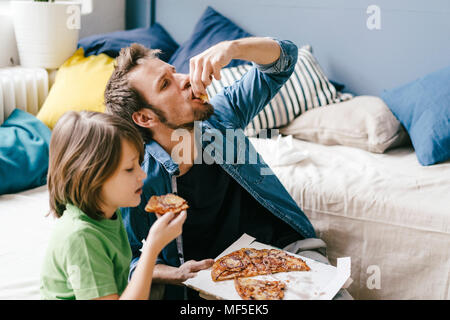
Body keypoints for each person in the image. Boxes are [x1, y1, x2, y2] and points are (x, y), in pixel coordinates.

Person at [104, 37, 352, 299]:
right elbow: (127, 262)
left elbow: (283, 62)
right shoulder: (139, 181)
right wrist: (177, 274)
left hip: (284, 253)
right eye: (166, 84)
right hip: (213, 285)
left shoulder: (221, 117)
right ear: (145, 117)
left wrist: (233, 49)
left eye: (174, 72)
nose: (186, 79)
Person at [40, 111, 187, 300]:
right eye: (129, 169)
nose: (142, 175)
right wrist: (152, 247)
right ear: (92, 177)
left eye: (139, 164)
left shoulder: (108, 212)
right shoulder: (82, 238)